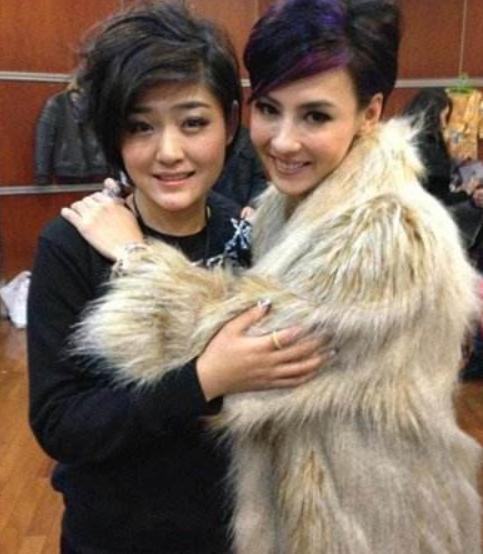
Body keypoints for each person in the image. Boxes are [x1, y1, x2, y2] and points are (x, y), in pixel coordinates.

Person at [66, 0, 481, 553]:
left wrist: (134, 254)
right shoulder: (289, 204)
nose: (283, 141)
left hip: (373, 520)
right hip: (315, 498)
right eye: (269, 109)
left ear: (370, 113)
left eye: (315, 116)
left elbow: (252, 351)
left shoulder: (387, 226)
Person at [27, 3, 329, 553]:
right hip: (113, 538)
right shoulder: (71, 245)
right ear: (114, 134)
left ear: (230, 123)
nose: (169, 152)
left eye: (193, 123)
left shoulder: (250, 235)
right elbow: (61, 424)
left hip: (237, 535)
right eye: (140, 126)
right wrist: (203, 380)